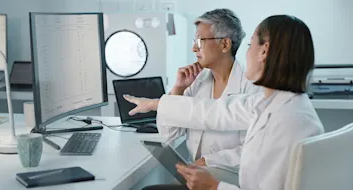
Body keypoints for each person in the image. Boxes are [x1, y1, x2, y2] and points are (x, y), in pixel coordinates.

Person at [124, 15, 324, 190]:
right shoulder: (270, 103)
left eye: (250, 45)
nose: (247, 53)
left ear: (264, 51)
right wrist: (157, 102)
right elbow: (212, 112)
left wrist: (214, 186)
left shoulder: (289, 121)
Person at [162, 8, 260, 173]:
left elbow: (252, 150)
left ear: (225, 44)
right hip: (198, 176)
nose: (194, 48)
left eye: (200, 41)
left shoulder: (252, 87)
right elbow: (169, 135)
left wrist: (205, 162)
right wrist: (178, 90)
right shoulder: (197, 82)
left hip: (230, 180)